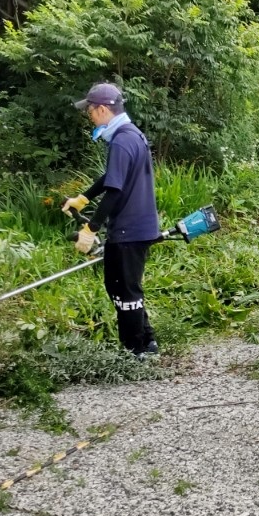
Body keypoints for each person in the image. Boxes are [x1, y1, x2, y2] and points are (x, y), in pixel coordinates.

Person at [60, 82, 161, 355]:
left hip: (129, 230)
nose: (89, 115)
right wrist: (83, 199)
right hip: (137, 227)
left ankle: (135, 351)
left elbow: (115, 192)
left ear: (103, 109)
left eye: (90, 110)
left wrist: (91, 230)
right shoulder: (131, 135)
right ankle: (147, 342)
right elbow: (111, 178)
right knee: (126, 288)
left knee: (123, 291)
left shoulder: (121, 140)